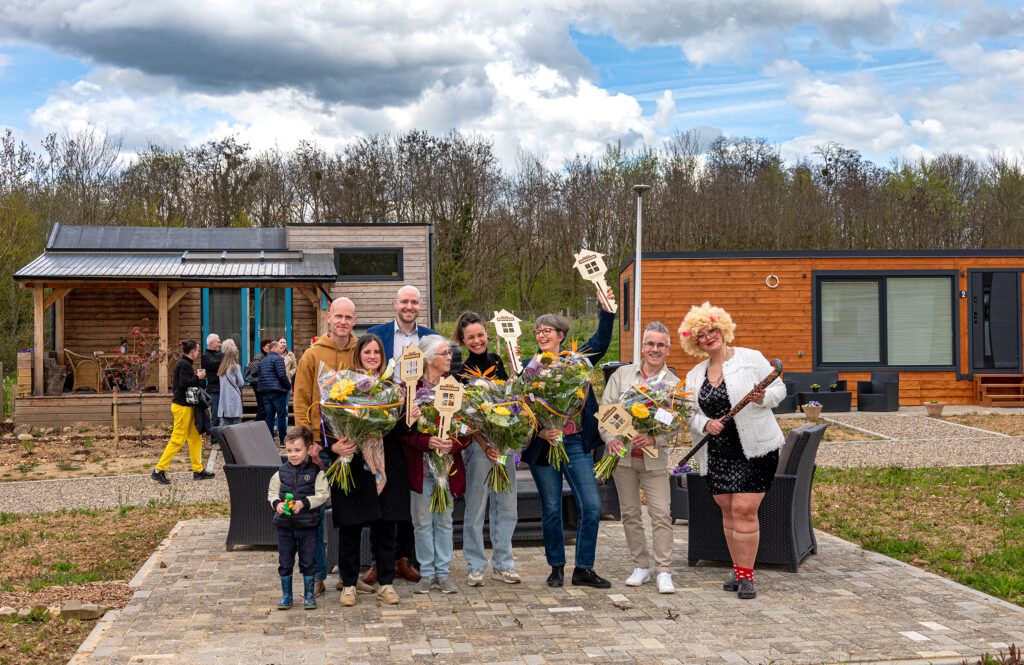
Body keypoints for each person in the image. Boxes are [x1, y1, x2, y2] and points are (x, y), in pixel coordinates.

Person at [679, 302, 786, 600]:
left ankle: (747, 577)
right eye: (700, 335)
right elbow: (689, 412)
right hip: (717, 454)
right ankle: (738, 571)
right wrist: (704, 424)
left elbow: (780, 389)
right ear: (695, 342)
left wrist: (764, 396)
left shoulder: (750, 358)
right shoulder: (695, 374)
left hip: (754, 450)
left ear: (722, 329)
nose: (708, 338)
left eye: (712, 330)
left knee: (744, 509)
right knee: (727, 510)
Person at [522, 288, 616, 589]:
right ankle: (557, 567)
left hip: (574, 444)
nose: (541, 335)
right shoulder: (528, 367)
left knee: (590, 504)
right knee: (550, 509)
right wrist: (539, 429)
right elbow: (518, 407)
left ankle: (583, 568)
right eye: (537, 331)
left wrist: (606, 311)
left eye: (547, 330)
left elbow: (601, 341)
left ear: (561, 334)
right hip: (544, 447)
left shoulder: (577, 360)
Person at [364, 284, 437, 585]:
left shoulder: (430, 337)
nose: (409, 306)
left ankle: (404, 558)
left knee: (409, 488)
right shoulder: (377, 333)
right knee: (378, 489)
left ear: (420, 306)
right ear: (395, 303)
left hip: (414, 421)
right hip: (380, 419)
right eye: (404, 301)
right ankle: (376, 560)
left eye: (414, 302)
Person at [329, 333, 409, 607]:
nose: (372, 356)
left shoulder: (393, 391)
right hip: (353, 464)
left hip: (386, 465)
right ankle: (349, 585)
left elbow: (402, 431)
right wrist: (334, 448)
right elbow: (330, 426)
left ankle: (386, 584)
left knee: (386, 528)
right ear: (358, 356)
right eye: (367, 352)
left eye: (377, 352)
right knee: (350, 528)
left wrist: (409, 415)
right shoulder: (342, 388)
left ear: (382, 357)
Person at [599, 321, 679, 594]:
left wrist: (655, 438)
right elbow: (606, 412)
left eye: (660, 345)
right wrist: (611, 440)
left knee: (661, 514)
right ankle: (641, 567)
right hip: (623, 458)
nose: (654, 349)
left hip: (653, 458)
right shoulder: (621, 376)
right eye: (650, 344)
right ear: (642, 346)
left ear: (668, 349)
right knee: (630, 513)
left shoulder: (672, 384)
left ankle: (664, 571)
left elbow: (675, 423)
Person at [293, 297, 360, 594]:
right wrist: (310, 444)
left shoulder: (362, 351)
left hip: (351, 443)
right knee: (315, 513)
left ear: (354, 320)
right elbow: (301, 401)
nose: (343, 321)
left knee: (351, 514)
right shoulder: (312, 355)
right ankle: (318, 574)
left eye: (348, 317)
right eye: (338, 316)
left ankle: (348, 576)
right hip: (320, 445)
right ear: (329, 318)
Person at [451, 311, 521, 586]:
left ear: (487, 335)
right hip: (479, 448)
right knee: (476, 507)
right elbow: (463, 416)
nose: (477, 340)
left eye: (481, 335)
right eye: (471, 337)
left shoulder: (497, 361)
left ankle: (504, 564)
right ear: (463, 339)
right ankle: (475, 565)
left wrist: (501, 441)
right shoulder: (460, 371)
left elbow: (512, 397)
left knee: (506, 506)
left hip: (504, 444)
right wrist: (484, 443)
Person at [401, 334, 471, 595]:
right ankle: (427, 573)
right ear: (429, 358)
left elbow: (467, 428)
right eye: (445, 353)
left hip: (446, 469)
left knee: (444, 521)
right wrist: (427, 441)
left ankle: (443, 573)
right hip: (420, 469)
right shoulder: (410, 389)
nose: (450, 358)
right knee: (421, 521)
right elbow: (402, 433)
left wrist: (453, 443)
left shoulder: (454, 386)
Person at [268, 426, 329, 610]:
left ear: (309, 450)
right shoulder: (281, 472)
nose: (293, 455)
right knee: (285, 561)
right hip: (284, 526)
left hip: (307, 525)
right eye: (289, 451)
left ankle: (309, 594)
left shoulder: (316, 472)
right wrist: (277, 503)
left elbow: (323, 494)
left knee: (309, 560)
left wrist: (304, 503)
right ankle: (287, 595)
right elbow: (272, 492)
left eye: (297, 450)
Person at [151, 340, 216, 484]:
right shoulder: (184, 364)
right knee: (178, 439)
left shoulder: (185, 364)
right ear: (192, 351)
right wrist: (198, 377)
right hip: (182, 407)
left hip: (188, 406)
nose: (198, 353)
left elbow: (186, 382)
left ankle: (198, 470)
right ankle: (158, 470)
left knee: (195, 437)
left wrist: (196, 377)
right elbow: (184, 383)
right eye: (197, 350)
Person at [259, 341, 292, 447]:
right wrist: (288, 386)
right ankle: (283, 440)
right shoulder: (278, 359)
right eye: (279, 347)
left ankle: (270, 440)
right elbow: (282, 375)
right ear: (273, 348)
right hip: (277, 392)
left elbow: (260, 377)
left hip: (265, 392)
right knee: (281, 416)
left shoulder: (263, 361)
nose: (281, 349)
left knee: (269, 416)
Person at [217, 339, 244, 426]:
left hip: (224, 399)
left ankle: (225, 440)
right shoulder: (235, 367)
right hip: (234, 399)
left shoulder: (222, 368)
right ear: (235, 356)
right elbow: (241, 383)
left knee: (226, 427)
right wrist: (236, 381)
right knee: (236, 425)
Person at [245, 339, 273, 423]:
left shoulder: (267, 356)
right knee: (262, 407)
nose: (270, 348)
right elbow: (253, 370)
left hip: (263, 385)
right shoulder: (259, 356)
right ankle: (258, 426)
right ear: (263, 347)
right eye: (268, 346)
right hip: (258, 385)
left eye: (271, 346)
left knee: (264, 407)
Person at [201, 334, 223, 428]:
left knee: (224, 415)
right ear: (211, 343)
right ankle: (213, 440)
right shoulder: (205, 356)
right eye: (218, 342)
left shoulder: (221, 354)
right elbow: (215, 365)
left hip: (223, 388)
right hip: (214, 389)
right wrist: (225, 359)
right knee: (215, 416)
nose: (220, 344)